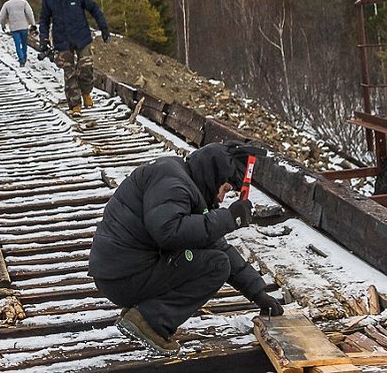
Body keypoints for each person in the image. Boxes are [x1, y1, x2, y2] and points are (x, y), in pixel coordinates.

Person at [88, 141, 284, 354]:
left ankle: (145, 312)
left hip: (120, 272)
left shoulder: (179, 179)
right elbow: (168, 232)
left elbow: (215, 243)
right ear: (214, 175)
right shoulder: (173, 183)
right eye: (225, 189)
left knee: (214, 256)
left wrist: (257, 293)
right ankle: (150, 322)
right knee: (216, 265)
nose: (221, 198)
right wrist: (227, 219)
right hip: (124, 276)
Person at [38, 0, 109, 114]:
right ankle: (75, 104)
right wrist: (44, 38)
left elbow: (94, 9)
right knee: (69, 73)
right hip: (62, 40)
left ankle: (86, 92)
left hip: (81, 37)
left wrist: (104, 27)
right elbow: (44, 20)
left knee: (86, 68)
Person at [0, 0, 36, 66]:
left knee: (17, 44)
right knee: (24, 43)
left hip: (14, 28)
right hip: (24, 27)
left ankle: (21, 59)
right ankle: (24, 56)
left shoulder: (7, 4)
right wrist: (33, 23)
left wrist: (3, 25)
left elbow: (2, 16)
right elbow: (30, 13)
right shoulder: (24, 2)